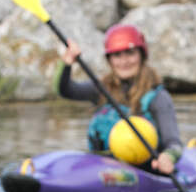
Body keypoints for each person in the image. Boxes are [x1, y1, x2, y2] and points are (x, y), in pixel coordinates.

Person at [58, 24, 183, 175]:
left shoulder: (158, 97)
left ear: (141, 55)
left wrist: (168, 157)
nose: (124, 61)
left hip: (146, 170)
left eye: (130, 53)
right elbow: (66, 90)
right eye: (117, 55)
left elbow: (174, 143)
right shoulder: (101, 89)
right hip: (103, 167)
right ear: (109, 60)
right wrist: (67, 64)